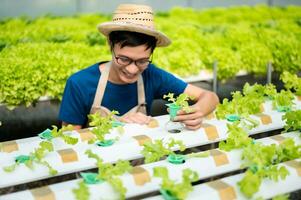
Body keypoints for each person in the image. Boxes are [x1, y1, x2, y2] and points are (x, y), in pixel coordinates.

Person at [58, 4, 219, 130]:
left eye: (142, 61)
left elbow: (210, 97)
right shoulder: (80, 83)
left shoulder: (152, 75)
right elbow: (70, 141)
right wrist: (117, 126)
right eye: (124, 59)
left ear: (152, 52)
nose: (132, 69)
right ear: (110, 44)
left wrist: (197, 111)